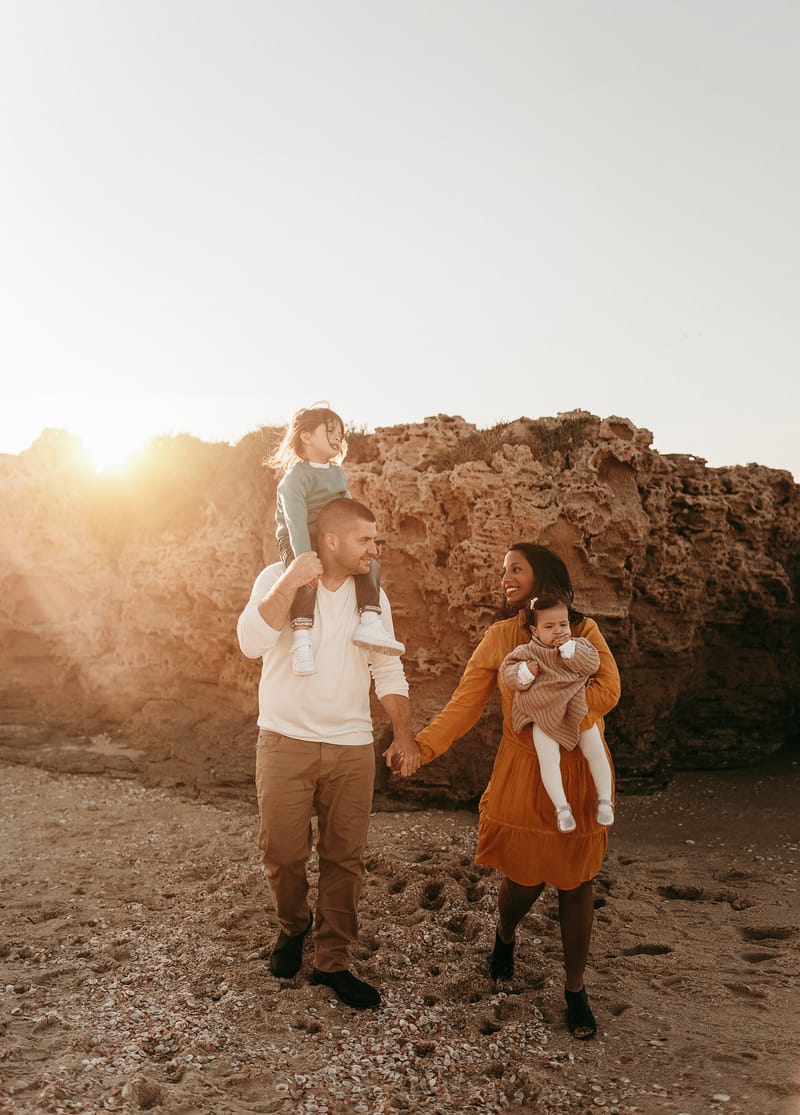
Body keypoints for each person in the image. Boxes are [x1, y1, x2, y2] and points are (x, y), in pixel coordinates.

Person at [407, 543, 620, 1040]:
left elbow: (609, 690)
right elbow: (464, 705)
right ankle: (505, 936)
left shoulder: (582, 630)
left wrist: (555, 703)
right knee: (523, 881)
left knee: (577, 883)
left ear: (542, 577)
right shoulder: (500, 637)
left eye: (515, 570)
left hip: (580, 773)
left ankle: (575, 990)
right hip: (525, 773)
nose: (504, 578)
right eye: (502, 571)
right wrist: (423, 747)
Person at [236, 497, 417, 1010]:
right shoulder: (278, 575)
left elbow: (387, 667)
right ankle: (293, 929)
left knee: (345, 859)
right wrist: (291, 580)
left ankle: (332, 961)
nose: (375, 549)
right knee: (283, 853)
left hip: (352, 746)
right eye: (366, 540)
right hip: (283, 741)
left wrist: (403, 735)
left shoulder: (372, 595)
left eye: (376, 540)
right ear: (332, 541)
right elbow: (250, 642)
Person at [266, 403, 404, 676]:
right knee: (306, 575)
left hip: (329, 537)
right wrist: (305, 559)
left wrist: (359, 544)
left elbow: (348, 512)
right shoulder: (294, 479)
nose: (338, 437)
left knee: (369, 562)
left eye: (341, 433)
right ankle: (302, 641)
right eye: (330, 431)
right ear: (306, 436)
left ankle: (369, 621)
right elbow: (295, 523)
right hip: (296, 539)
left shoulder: (337, 474)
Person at [499, 592, 615, 833]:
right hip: (543, 713)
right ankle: (562, 808)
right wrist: (525, 671)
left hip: (576, 708)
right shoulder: (528, 651)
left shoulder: (578, 645)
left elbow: (592, 663)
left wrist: (571, 651)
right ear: (535, 630)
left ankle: (605, 800)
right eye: (549, 626)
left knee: (595, 751)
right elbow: (507, 673)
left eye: (563, 624)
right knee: (549, 759)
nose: (558, 631)